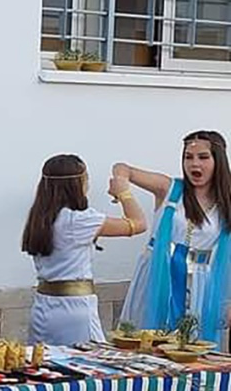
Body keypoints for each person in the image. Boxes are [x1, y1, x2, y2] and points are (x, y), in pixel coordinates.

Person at [118, 130, 231, 347]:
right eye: (188, 157)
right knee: (147, 343)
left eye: (203, 157)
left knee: (191, 347)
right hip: (159, 276)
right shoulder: (169, 189)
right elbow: (123, 169)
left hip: (199, 284)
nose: (194, 164)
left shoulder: (226, 202)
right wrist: (122, 189)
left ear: (218, 160)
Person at [22, 154, 147, 346]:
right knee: (88, 360)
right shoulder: (78, 220)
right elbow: (138, 224)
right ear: (77, 184)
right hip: (75, 309)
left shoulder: (40, 218)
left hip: (42, 307)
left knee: (44, 361)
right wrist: (123, 192)